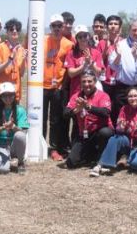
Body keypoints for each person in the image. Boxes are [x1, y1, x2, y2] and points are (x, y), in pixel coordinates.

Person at [91, 86, 137, 176]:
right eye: (130, 96)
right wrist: (121, 128)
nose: (133, 98)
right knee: (114, 138)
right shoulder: (124, 109)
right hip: (128, 143)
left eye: (135, 96)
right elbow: (118, 130)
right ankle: (102, 165)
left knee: (135, 165)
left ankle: (135, 161)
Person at [106, 19, 137, 122]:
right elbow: (113, 66)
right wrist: (118, 55)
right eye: (134, 30)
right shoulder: (120, 44)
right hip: (123, 88)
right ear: (129, 30)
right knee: (122, 117)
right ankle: (123, 137)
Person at [64, 72, 113, 169]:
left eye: (89, 81)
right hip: (84, 134)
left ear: (95, 82)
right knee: (71, 163)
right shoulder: (76, 96)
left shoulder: (103, 95)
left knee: (105, 133)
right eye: (84, 82)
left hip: (99, 131)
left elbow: (105, 112)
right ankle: (89, 156)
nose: (87, 84)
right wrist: (75, 110)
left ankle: (101, 158)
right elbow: (65, 113)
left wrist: (88, 107)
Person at [41, 15, 73, 160]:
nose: (57, 28)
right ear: (50, 26)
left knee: (55, 119)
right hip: (41, 86)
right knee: (41, 118)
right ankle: (39, 145)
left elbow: (68, 68)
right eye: (54, 25)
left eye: (59, 25)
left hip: (57, 87)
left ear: (63, 26)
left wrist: (63, 85)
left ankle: (53, 148)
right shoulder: (42, 40)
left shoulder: (68, 44)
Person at [0, 82, 28, 174]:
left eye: (11, 95)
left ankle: (20, 162)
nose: (8, 98)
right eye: (5, 95)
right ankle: (3, 157)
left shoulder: (20, 110)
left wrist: (13, 126)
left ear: (14, 95)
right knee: (2, 170)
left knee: (20, 135)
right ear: (0, 97)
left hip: (14, 144)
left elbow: (23, 131)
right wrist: (3, 128)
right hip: (0, 144)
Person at [64, 24, 104, 102]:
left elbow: (99, 73)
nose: (83, 38)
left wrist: (91, 62)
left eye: (85, 35)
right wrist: (84, 65)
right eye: (80, 37)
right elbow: (71, 74)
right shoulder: (71, 54)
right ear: (76, 39)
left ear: (88, 36)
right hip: (76, 91)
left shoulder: (96, 53)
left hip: (93, 91)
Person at [0, 18, 26, 100]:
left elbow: (21, 74)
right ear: (7, 32)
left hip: (15, 92)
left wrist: (24, 60)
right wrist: (10, 60)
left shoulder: (21, 49)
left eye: (17, 29)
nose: (14, 31)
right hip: (1, 92)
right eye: (11, 29)